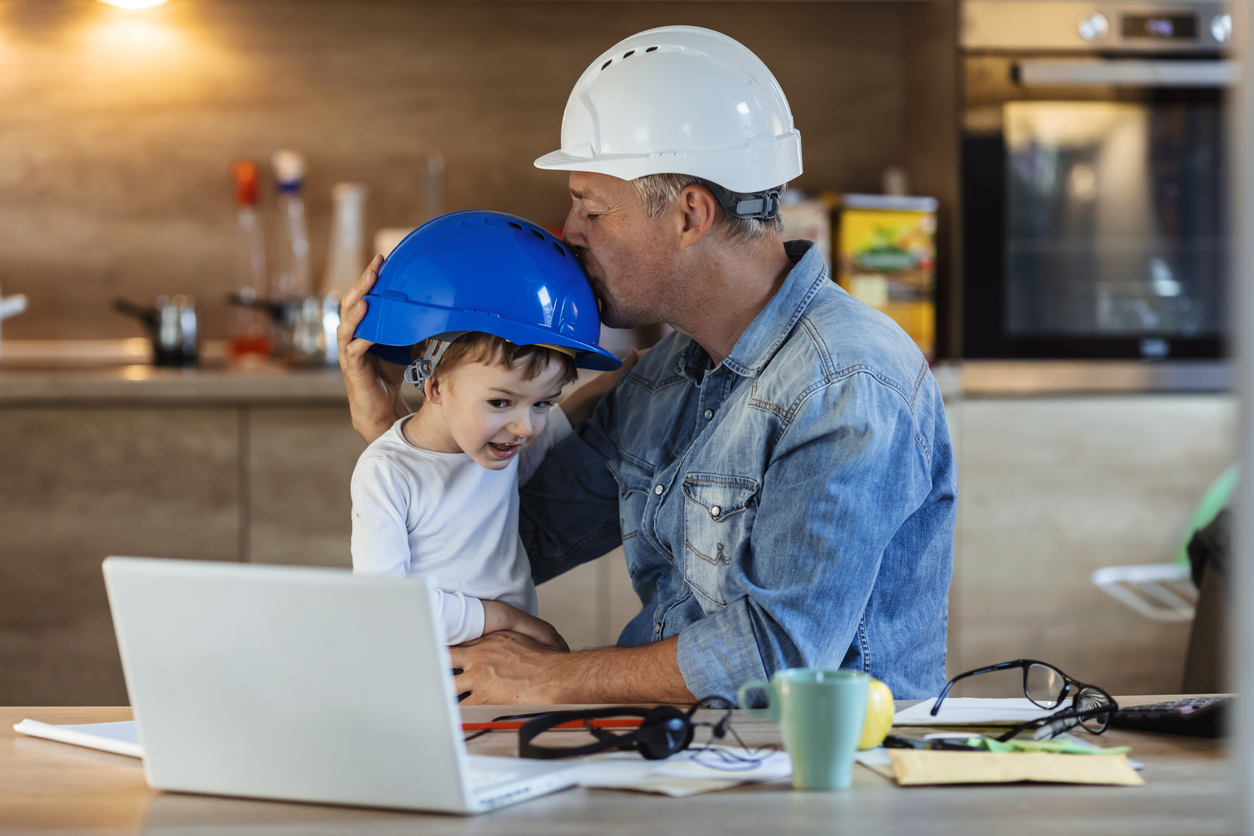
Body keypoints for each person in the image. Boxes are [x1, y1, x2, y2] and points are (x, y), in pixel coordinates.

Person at [338, 26, 956, 705]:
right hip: (686, 754)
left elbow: (781, 653)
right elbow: (514, 539)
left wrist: (546, 677)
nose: (568, 233)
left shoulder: (845, 384)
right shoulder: (662, 378)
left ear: (690, 213)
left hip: (817, 778)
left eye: (592, 208)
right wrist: (400, 433)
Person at [348, 211, 627, 650]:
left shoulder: (497, 447)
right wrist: (507, 619)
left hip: (509, 664)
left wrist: (630, 372)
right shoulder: (387, 473)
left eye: (541, 402)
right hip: (434, 673)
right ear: (436, 386)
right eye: (500, 402)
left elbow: (566, 418)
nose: (525, 427)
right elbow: (385, 607)